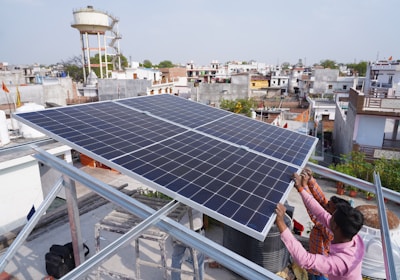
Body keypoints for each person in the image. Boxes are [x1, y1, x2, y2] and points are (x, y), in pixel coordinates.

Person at [275, 172, 365, 280]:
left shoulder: (341, 262)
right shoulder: (352, 236)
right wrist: (300, 188)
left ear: (335, 226)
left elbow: (305, 260)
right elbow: (320, 213)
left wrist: (280, 222)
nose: (327, 216)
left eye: (331, 217)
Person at [300, 168, 349, 280]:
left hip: (322, 271)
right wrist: (310, 180)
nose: (325, 206)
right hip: (315, 266)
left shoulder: (332, 230)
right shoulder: (334, 216)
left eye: (328, 206)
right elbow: (321, 199)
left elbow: (314, 214)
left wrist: (303, 187)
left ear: (334, 213)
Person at [171, 207, 204, 280]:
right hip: (195, 232)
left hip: (179, 231)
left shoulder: (180, 195)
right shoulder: (204, 196)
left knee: (176, 258)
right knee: (199, 262)